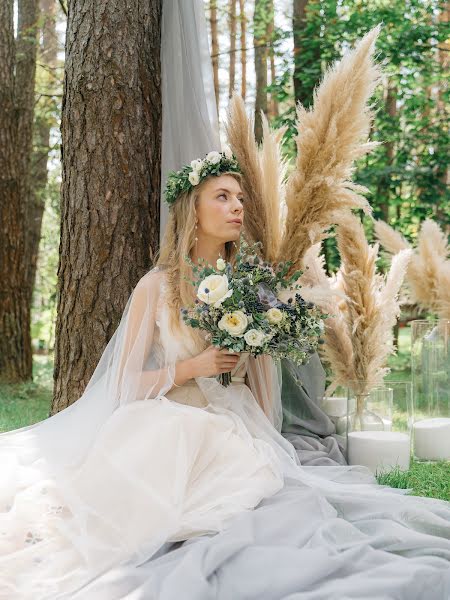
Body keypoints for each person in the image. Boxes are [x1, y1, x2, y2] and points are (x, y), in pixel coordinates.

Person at [1, 151, 450, 600]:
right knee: (130, 500)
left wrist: (258, 350)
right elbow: (123, 385)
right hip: (167, 420)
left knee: (252, 499)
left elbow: (259, 391)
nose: (238, 206)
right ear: (192, 211)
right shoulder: (156, 287)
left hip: (233, 427)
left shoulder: (251, 287)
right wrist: (191, 368)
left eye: (239, 197)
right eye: (222, 196)